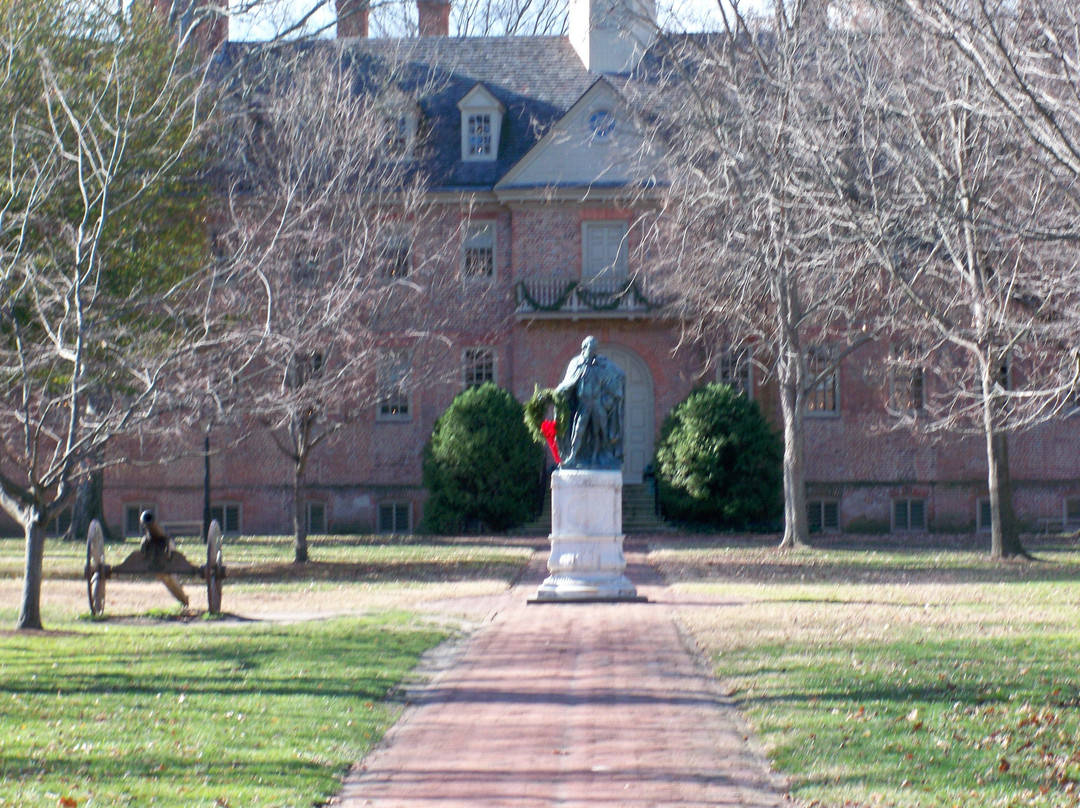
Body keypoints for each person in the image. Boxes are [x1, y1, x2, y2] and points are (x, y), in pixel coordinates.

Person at [555, 336, 625, 469]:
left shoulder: (602, 364)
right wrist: (556, 394)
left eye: (595, 348)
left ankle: (602, 457)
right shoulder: (576, 363)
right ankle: (572, 457)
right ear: (584, 348)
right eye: (592, 348)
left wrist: (608, 398)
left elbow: (619, 376)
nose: (594, 351)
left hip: (598, 403)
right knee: (578, 430)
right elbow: (567, 383)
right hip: (584, 404)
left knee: (602, 432)